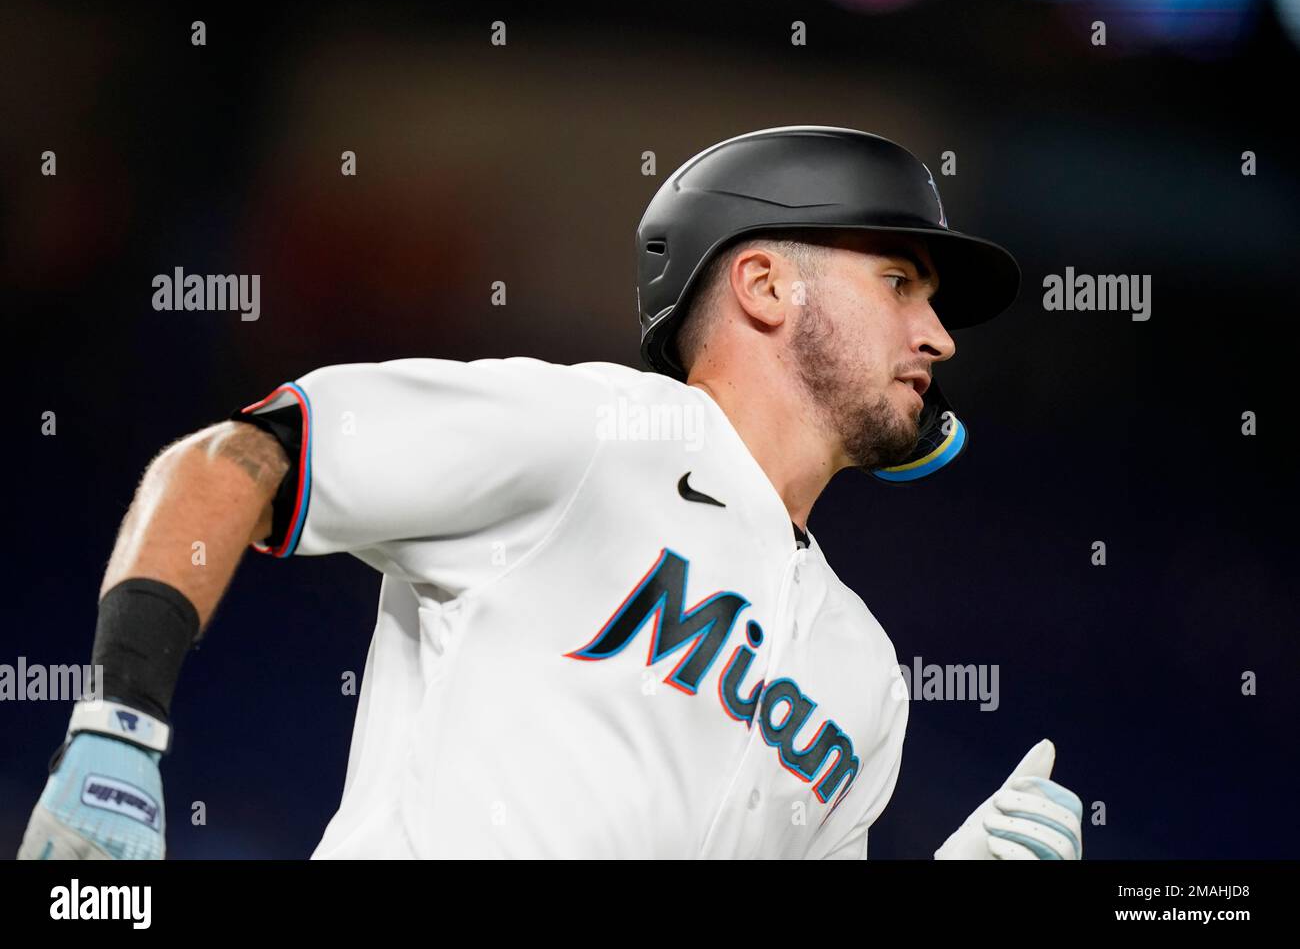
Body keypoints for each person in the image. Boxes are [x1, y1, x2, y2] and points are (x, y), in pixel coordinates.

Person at [19, 125, 1082, 860]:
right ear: (763, 285)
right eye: (899, 282)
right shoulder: (592, 433)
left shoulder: (863, 670)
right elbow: (232, 463)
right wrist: (119, 725)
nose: (937, 334)